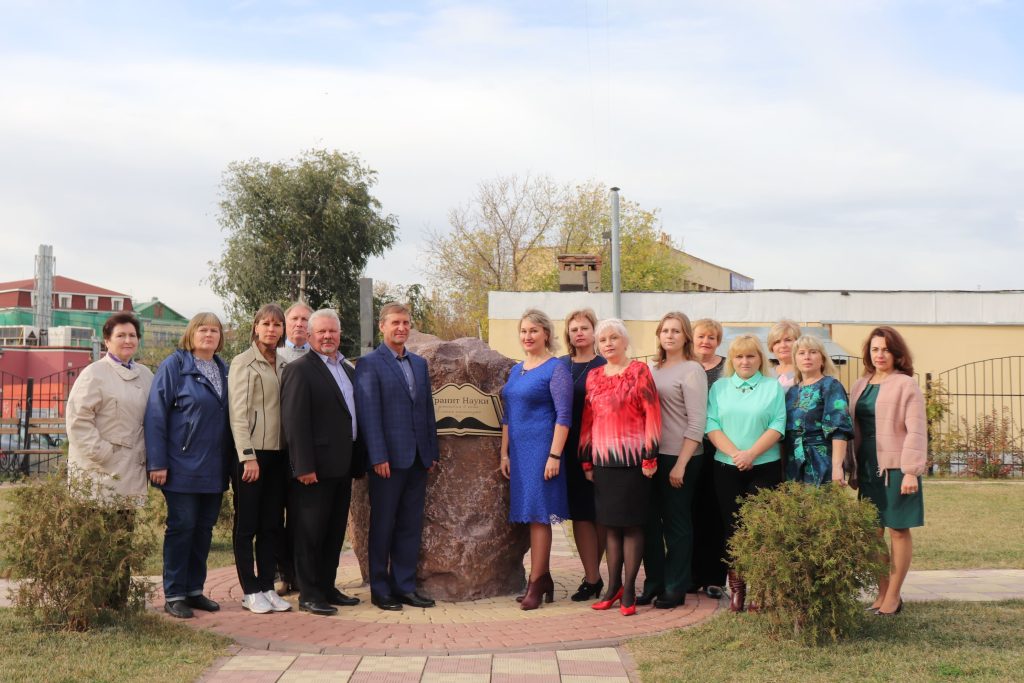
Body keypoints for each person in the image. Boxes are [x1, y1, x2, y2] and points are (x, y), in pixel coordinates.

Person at [145, 312, 232, 619]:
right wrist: (157, 462)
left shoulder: (224, 369)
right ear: (191, 333)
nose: (209, 335)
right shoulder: (175, 365)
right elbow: (155, 414)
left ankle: (194, 590)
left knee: (204, 530)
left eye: (214, 330)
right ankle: (174, 594)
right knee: (182, 527)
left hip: (214, 468)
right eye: (203, 329)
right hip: (180, 466)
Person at [355, 302, 440, 611]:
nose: (401, 328)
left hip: (417, 460)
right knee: (383, 526)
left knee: (409, 525)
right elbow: (369, 414)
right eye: (395, 323)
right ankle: (380, 590)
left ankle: (404, 587)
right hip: (387, 462)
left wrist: (431, 451)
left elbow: (427, 410)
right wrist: (378, 456)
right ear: (382, 326)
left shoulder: (419, 364)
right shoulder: (369, 364)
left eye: (405, 322)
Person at [66, 312, 154, 608]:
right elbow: (78, 421)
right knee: (95, 538)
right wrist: (102, 452)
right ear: (107, 340)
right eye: (121, 335)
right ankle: (90, 601)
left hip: (131, 468)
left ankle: (117, 602)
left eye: (132, 335)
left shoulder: (146, 375)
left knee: (122, 538)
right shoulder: (94, 374)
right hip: (98, 470)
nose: (128, 340)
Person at [280, 308, 364, 616]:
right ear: (310, 335)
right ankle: (309, 594)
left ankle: (327, 586)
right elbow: (294, 422)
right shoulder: (299, 370)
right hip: (313, 468)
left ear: (340, 334)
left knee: (333, 532)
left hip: (343, 465)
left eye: (333, 331)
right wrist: (303, 466)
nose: (328, 336)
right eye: (322, 332)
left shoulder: (348, 369)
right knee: (309, 533)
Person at [580, 319, 661, 617]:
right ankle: (612, 587)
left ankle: (628, 591)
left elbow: (653, 414)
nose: (608, 344)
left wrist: (650, 457)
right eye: (603, 340)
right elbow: (588, 420)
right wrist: (586, 459)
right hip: (603, 462)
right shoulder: (593, 376)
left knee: (632, 526)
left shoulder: (639, 371)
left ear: (625, 341)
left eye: (614, 338)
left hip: (634, 462)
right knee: (610, 525)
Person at [849, 326, 926, 617]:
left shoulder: (906, 384)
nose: (880, 355)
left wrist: (911, 471)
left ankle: (893, 596)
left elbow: (916, 430)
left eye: (885, 349)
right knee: (871, 531)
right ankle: (882, 592)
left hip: (896, 466)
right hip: (868, 465)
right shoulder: (861, 384)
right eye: (875, 349)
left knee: (897, 529)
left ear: (896, 353)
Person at [706, 334, 785, 613]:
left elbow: (778, 424)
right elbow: (711, 424)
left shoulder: (772, 387)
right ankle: (738, 588)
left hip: (764, 467)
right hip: (726, 467)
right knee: (733, 527)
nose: (744, 361)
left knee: (759, 528)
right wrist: (736, 455)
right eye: (739, 356)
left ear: (760, 359)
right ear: (732, 360)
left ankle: (760, 590)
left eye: (750, 356)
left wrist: (751, 454)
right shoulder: (720, 387)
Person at [499, 309, 572, 610]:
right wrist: (504, 453)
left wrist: (554, 455)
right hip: (519, 454)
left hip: (543, 451)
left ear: (546, 334)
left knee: (540, 516)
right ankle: (545, 578)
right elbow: (508, 415)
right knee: (530, 516)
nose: (527, 336)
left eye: (533, 331)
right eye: (523, 331)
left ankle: (537, 581)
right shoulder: (517, 370)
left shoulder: (556, 369)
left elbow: (564, 416)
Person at [638, 312, 708, 609]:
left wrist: (681, 464)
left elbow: (697, 422)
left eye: (676, 331)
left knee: (676, 525)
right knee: (649, 524)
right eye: (665, 330)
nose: (669, 335)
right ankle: (654, 582)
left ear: (686, 337)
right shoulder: (651, 369)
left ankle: (675, 587)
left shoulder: (692, 370)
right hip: (651, 456)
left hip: (680, 457)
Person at [227, 304, 292, 614]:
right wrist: (247, 456)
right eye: (266, 324)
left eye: (277, 325)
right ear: (255, 327)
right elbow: (238, 414)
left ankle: (267, 585)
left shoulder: (285, 364)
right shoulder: (243, 362)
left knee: (271, 525)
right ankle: (250, 590)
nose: (271, 329)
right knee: (247, 524)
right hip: (251, 457)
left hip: (279, 455)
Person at [558, 308, 607, 602]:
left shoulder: (604, 365)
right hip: (566, 449)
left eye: (584, 328)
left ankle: (594, 575)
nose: (579, 333)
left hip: (599, 449)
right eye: (574, 328)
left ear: (594, 332)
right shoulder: (559, 365)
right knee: (580, 514)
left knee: (599, 513)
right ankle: (592, 577)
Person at [689, 318, 728, 600]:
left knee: (715, 512)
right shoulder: (685, 365)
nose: (706, 341)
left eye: (711, 337)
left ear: (718, 341)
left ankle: (715, 578)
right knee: (690, 512)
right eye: (701, 336)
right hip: (688, 447)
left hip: (719, 447)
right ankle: (692, 575)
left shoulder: (727, 368)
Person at [784, 335, 853, 486]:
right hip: (793, 464)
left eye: (813, 352)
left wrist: (837, 467)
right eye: (801, 353)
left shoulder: (830, 386)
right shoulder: (791, 392)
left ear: (822, 359)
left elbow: (839, 430)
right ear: (795, 360)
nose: (807, 357)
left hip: (822, 462)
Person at [767, 319, 801, 390]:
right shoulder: (765, 374)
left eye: (788, 340)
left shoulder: (807, 373)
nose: (783, 345)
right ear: (772, 347)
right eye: (777, 342)